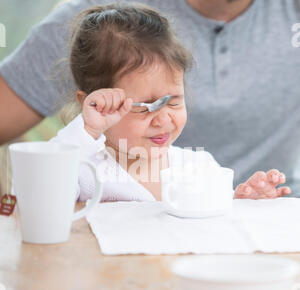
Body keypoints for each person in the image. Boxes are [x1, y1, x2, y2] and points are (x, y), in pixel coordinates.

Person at [1, 0, 300, 195]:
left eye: (173, 101)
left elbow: (218, 219)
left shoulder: (197, 166)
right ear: (94, 104)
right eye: (144, 107)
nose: (163, 119)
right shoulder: (85, 169)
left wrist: (246, 199)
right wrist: (87, 130)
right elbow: (37, 195)